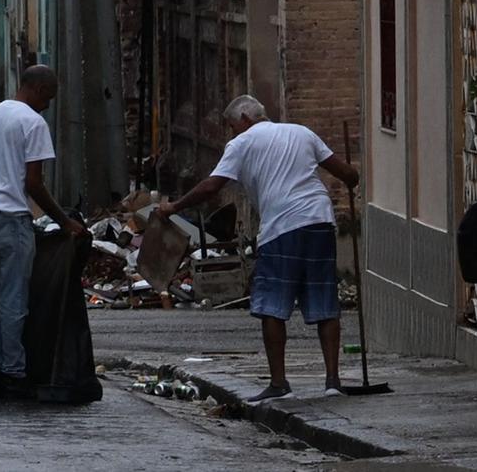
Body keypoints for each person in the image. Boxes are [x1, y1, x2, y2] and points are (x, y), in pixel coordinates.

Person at [154, 96, 361, 401]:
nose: (231, 133)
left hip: (282, 227)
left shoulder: (242, 143)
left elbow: (212, 186)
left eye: (232, 126)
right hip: (319, 221)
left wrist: (174, 207)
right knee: (324, 301)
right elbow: (347, 175)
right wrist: (352, 179)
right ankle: (332, 382)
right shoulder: (302, 132)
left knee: (272, 307)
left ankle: (279, 384)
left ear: (245, 119)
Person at [0, 64, 84, 400]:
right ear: (36, 89)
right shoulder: (33, 123)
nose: (48, 104)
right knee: (13, 299)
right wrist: (65, 222)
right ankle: (14, 373)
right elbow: (33, 183)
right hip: (10, 219)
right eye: (47, 97)